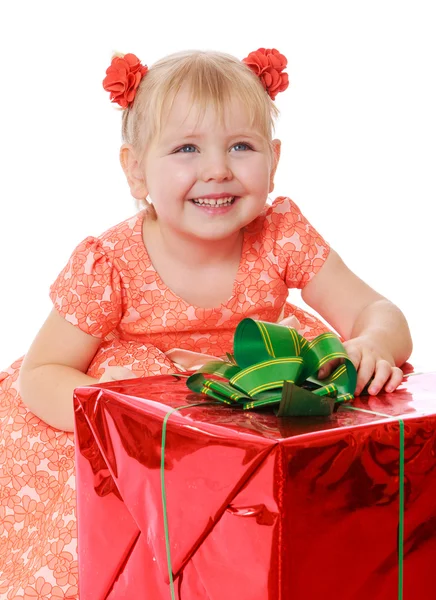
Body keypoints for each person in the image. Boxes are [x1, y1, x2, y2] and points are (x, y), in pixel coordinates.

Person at [0, 48, 412, 598]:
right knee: (117, 521)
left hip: (249, 405)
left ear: (275, 160)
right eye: (186, 148)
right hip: (148, 424)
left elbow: (379, 311)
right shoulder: (111, 262)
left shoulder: (281, 234)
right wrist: (119, 419)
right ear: (136, 170)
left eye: (241, 146)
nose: (217, 168)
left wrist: (371, 344)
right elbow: (44, 371)